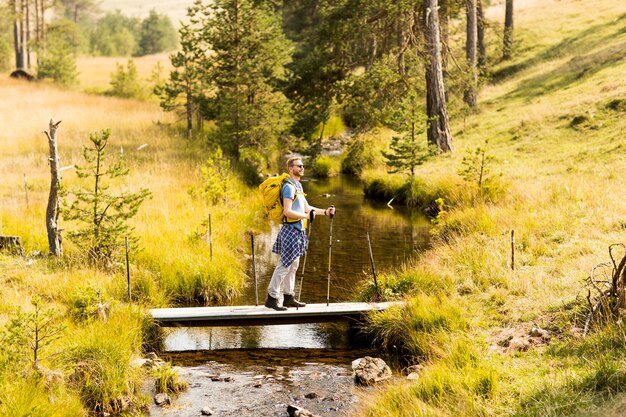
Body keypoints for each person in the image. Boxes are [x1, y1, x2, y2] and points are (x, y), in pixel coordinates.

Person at [265, 156, 336, 311]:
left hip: (299, 231)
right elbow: (288, 211)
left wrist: (325, 212)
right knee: (285, 264)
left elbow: (307, 208)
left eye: (303, 166)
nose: (302, 168)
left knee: (293, 265)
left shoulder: (298, 186)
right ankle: (272, 297)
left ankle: (288, 297)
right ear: (291, 168)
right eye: (299, 166)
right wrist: (306, 217)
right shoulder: (289, 187)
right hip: (290, 230)